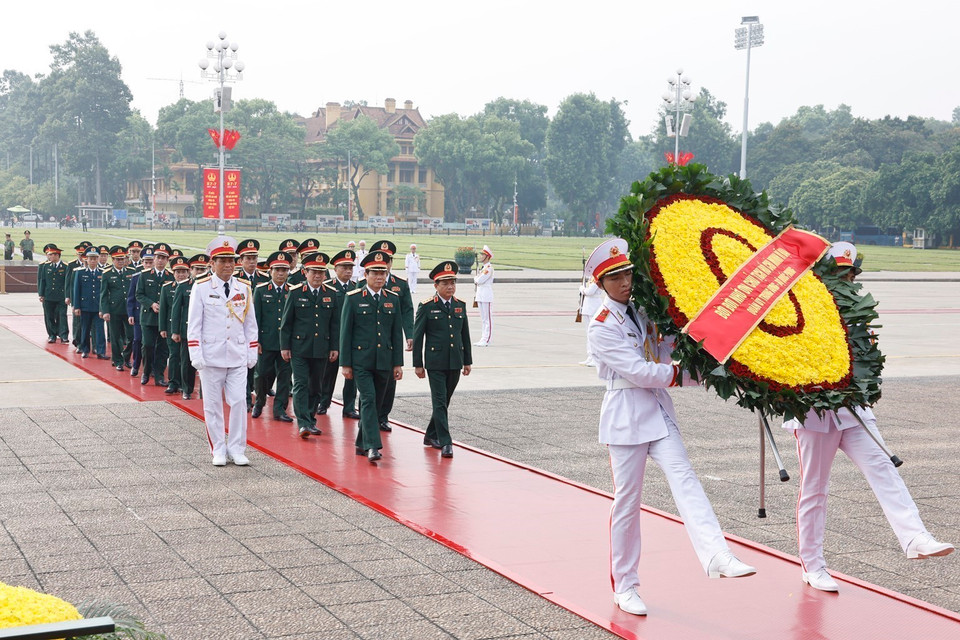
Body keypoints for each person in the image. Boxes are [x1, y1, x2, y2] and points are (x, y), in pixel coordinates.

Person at [585, 238, 756, 617]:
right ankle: (625, 585)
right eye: (615, 277)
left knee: (686, 478)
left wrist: (696, 344)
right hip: (626, 416)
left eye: (628, 273)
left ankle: (717, 554)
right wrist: (683, 374)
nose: (625, 281)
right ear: (601, 284)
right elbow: (639, 371)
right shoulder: (600, 327)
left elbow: (661, 352)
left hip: (658, 412)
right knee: (627, 504)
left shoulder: (642, 311)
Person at [783, 241, 954, 593]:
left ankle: (915, 536)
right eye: (839, 274)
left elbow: (868, 360)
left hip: (854, 411)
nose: (846, 280)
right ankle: (812, 565)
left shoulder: (858, 314)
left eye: (850, 274)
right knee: (814, 490)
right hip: (813, 413)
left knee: (883, 468)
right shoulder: (801, 308)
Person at [187, 237, 259, 466]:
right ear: (213, 263)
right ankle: (218, 448)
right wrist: (195, 353)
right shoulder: (201, 287)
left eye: (231, 261)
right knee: (213, 406)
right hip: (211, 356)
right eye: (223, 261)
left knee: (238, 402)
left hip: (237, 355)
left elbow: (250, 323)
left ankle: (237, 448)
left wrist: (251, 350)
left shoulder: (244, 288)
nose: (228, 265)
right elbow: (194, 323)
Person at [340, 250, 404, 462]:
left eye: (383, 273)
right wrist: (346, 364)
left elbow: (396, 334)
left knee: (376, 403)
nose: (379, 278)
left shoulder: (392, 299)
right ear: (365, 274)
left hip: (384, 361)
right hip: (361, 361)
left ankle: (360, 442)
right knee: (367, 399)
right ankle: (373, 446)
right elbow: (345, 333)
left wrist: (398, 364)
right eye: (375, 273)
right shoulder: (354, 298)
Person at [413, 261, 472, 458]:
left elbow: (465, 335)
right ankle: (446, 442)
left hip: (455, 361)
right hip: (435, 362)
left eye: (452, 283)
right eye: (445, 283)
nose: (450, 287)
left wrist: (467, 361)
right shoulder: (427, 306)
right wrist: (418, 365)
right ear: (436, 285)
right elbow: (418, 336)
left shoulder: (459, 305)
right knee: (439, 401)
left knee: (444, 401)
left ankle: (430, 435)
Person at [280, 252, 341, 438]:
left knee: (316, 386)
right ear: (305, 272)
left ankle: (311, 419)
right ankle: (304, 423)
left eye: (321, 273)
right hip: (299, 347)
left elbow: (335, 325)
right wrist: (285, 346)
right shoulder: (296, 292)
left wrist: (334, 347)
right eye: (314, 272)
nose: (317, 276)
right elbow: (286, 322)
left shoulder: (331, 294)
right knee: (300, 385)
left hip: (321, 348)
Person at [366, 240, 414, 432]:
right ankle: (368, 415)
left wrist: (409, 334)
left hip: (388, 340)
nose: (384, 264)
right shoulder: (362, 284)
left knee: (389, 382)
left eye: (388, 260)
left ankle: (383, 416)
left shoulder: (399, 285)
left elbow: (407, 310)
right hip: (367, 343)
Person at [251, 251, 295, 423]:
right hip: (266, 341)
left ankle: (279, 409)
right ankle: (259, 402)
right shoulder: (261, 290)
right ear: (270, 271)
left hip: (285, 344)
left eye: (284, 270)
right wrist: (257, 341)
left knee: (285, 378)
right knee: (261, 375)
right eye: (277, 270)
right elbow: (255, 319)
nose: (281, 273)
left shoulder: (292, 291)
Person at [317, 249, 360, 420]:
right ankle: (323, 402)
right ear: (335, 269)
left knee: (352, 375)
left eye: (350, 268)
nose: (348, 271)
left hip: (351, 340)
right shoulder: (327, 288)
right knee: (328, 373)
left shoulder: (356, 289)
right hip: (332, 339)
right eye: (344, 267)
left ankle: (349, 406)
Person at [171, 254, 210, 400]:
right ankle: (187, 389)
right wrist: (175, 331)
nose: (199, 272)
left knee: (206, 363)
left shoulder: (210, 285)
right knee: (187, 362)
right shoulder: (183, 286)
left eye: (202, 269)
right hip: (188, 330)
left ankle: (205, 390)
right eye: (196, 269)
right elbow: (176, 311)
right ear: (191, 270)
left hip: (207, 331)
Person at [136, 242, 173, 386]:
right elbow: (139, 294)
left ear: (167, 260)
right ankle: (146, 372)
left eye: (164, 258)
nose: (160, 260)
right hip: (148, 317)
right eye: (158, 257)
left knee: (163, 349)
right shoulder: (145, 275)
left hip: (164, 319)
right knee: (148, 346)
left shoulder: (170, 276)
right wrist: (151, 304)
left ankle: (159, 376)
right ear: (154, 258)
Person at [159, 256, 191, 395]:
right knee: (174, 356)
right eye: (178, 272)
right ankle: (173, 382)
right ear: (173, 273)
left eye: (183, 271)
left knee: (185, 359)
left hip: (186, 328)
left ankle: (185, 384)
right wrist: (163, 328)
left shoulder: (193, 287)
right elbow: (164, 310)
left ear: (188, 272)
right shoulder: (167, 288)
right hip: (171, 327)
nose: (181, 274)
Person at [99, 246, 133, 370]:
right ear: (113, 260)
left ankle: (127, 357)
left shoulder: (131, 271)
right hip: (114, 310)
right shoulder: (107, 274)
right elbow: (103, 294)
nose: (120, 261)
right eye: (117, 259)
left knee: (132, 336)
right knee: (115, 337)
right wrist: (105, 311)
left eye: (122, 259)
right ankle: (118, 360)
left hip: (129, 310)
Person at [72, 247, 107, 360]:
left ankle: (101, 351)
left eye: (95, 258)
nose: (93, 261)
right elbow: (76, 290)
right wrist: (76, 306)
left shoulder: (103, 273)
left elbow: (105, 291)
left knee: (100, 329)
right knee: (85, 329)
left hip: (98, 307)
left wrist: (104, 308)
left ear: (98, 259)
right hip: (85, 306)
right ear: (86, 259)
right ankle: (85, 349)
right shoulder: (80, 273)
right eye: (90, 258)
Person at [126, 249, 154, 377]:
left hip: (153, 315)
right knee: (137, 340)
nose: (148, 265)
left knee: (152, 343)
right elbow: (131, 297)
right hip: (138, 314)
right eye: (146, 262)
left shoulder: (159, 277)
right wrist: (130, 314)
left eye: (150, 262)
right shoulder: (137, 277)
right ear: (142, 263)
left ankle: (151, 367)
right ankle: (136, 365)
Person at [36, 244, 69, 344]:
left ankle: (64, 335)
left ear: (57, 255)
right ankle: (52, 335)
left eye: (51, 255)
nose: (48, 256)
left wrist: (68, 295)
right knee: (49, 316)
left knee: (62, 315)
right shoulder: (46, 266)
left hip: (61, 296)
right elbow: (42, 281)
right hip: (48, 295)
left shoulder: (65, 266)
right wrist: (41, 294)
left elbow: (67, 283)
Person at [578, 279, 603, 366]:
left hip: (594, 307)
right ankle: (590, 356)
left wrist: (582, 289)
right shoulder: (591, 279)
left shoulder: (597, 280)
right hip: (587, 307)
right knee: (588, 334)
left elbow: (590, 292)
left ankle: (595, 358)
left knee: (593, 334)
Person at [473, 245, 494, 346]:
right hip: (480, 294)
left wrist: (476, 278)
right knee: (483, 319)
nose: (481, 256)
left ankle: (486, 340)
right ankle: (483, 338)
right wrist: (477, 279)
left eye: (483, 255)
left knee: (487, 319)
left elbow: (479, 280)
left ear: (487, 256)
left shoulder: (488, 268)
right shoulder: (483, 268)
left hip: (486, 295)